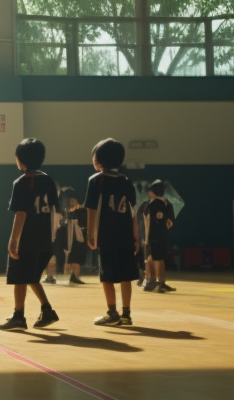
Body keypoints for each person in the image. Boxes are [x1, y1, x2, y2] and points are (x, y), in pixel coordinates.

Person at [0, 139, 59, 331]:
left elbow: (21, 213)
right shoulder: (49, 181)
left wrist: (13, 240)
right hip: (45, 238)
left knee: (20, 277)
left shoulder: (22, 182)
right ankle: (47, 309)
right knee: (31, 275)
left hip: (28, 237)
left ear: (20, 160)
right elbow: (56, 210)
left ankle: (18, 315)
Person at [86, 138, 139, 326]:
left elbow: (91, 209)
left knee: (107, 275)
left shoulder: (96, 181)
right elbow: (133, 212)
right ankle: (126, 314)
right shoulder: (126, 181)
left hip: (106, 235)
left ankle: (112, 312)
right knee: (125, 276)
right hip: (125, 236)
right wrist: (136, 236)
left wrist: (91, 233)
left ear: (99, 159)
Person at [141, 180, 175, 293]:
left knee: (154, 259)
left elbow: (146, 220)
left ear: (153, 192)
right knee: (159, 259)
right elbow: (170, 223)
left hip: (151, 236)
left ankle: (154, 283)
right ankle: (160, 282)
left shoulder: (151, 204)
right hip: (162, 236)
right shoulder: (167, 204)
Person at [63, 191, 89, 284]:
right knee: (76, 256)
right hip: (76, 237)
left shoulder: (76, 210)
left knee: (78, 256)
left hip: (79, 236)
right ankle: (74, 276)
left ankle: (74, 275)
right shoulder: (72, 212)